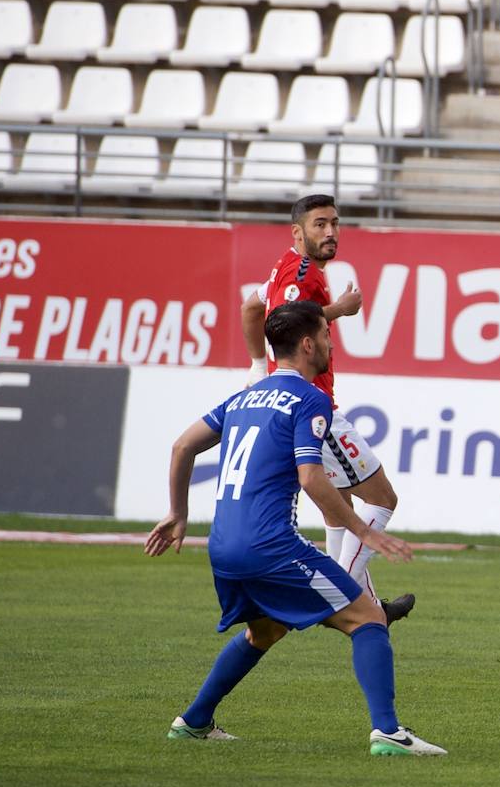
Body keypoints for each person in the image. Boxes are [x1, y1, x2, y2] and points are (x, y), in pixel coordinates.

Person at [147, 301, 445, 755]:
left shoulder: (244, 396)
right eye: (326, 334)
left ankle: (194, 721)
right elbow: (310, 475)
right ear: (308, 344)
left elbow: (182, 445)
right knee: (368, 617)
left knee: (264, 632)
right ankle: (388, 732)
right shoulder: (310, 398)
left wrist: (177, 512)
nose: (329, 342)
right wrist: (364, 532)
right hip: (270, 545)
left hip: (223, 546)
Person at [240, 194, 413, 624]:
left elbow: (251, 306)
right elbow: (282, 319)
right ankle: (337, 591)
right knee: (382, 500)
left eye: (335, 223)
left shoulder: (283, 266)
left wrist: (258, 366)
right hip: (315, 407)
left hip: (294, 400)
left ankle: (372, 610)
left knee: (338, 508)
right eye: (320, 224)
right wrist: (341, 310)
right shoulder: (300, 274)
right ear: (298, 232)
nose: (331, 232)